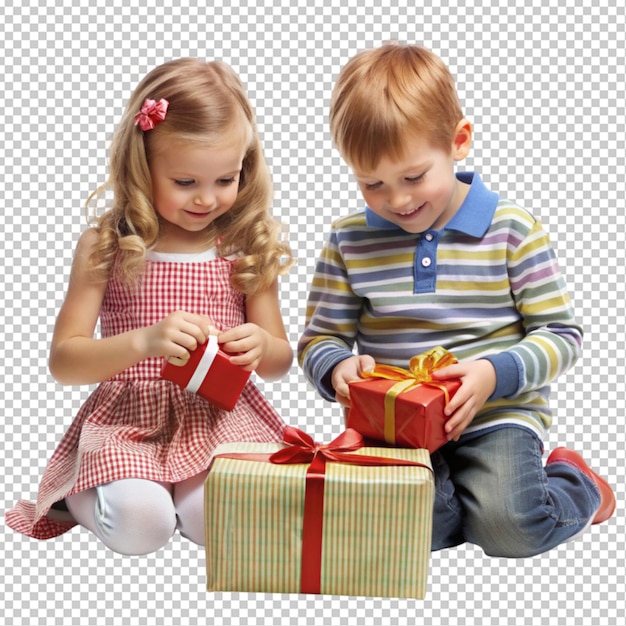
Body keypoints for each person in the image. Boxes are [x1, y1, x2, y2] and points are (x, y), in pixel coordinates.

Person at [298, 42, 615, 558]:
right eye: (371, 183)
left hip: (496, 413)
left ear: (459, 141)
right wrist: (336, 370)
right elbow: (320, 337)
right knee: (396, 536)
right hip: (396, 424)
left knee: (511, 527)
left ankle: (576, 482)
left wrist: (492, 374)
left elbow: (562, 336)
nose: (397, 200)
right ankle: (460, 503)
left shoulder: (513, 229)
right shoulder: (348, 240)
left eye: (414, 177)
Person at [7, 58, 294, 556]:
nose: (207, 199)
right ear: (143, 165)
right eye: (186, 182)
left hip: (216, 418)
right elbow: (64, 361)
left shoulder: (245, 244)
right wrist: (145, 341)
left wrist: (261, 345)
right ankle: (79, 494)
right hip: (128, 421)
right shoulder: (108, 244)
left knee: (216, 521)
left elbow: (280, 362)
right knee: (142, 527)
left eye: (225, 179)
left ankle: (179, 497)